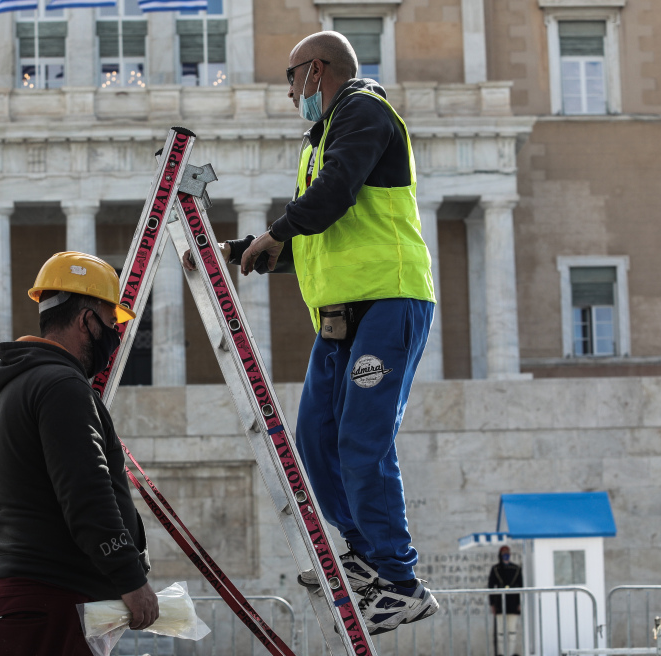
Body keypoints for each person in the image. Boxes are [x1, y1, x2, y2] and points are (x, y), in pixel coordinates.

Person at [187, 31, 438, 635]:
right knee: (316, 439)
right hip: (340, 314)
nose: (290, 93)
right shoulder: (319, 138)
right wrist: (251, 250)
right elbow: (319, 237)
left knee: (361, 440)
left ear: (316, 72)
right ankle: (363, 555)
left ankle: (401, 583)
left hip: (389, 298)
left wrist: (277, 230)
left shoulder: (363, 111)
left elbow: (331, 197)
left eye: (291, 80)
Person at [0, 251, 159, 656]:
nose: (114, 336)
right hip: (51, 602)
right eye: (111, 324)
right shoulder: (61, 386)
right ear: (86, 320)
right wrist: (130, 579)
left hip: (12, 600)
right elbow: (86, 492)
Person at [489, 546, 523, 656]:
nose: (506, 554)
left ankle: (510, 652)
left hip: (513, 603)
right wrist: (492, 604)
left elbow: (521, 587)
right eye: (504, 553)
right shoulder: (495, 569)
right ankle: (503, 653)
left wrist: (519, 603)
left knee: (512, 632)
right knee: (500, 632)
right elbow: (490, 587)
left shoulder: (516, 569)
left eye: (507, 552)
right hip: (499, 603)